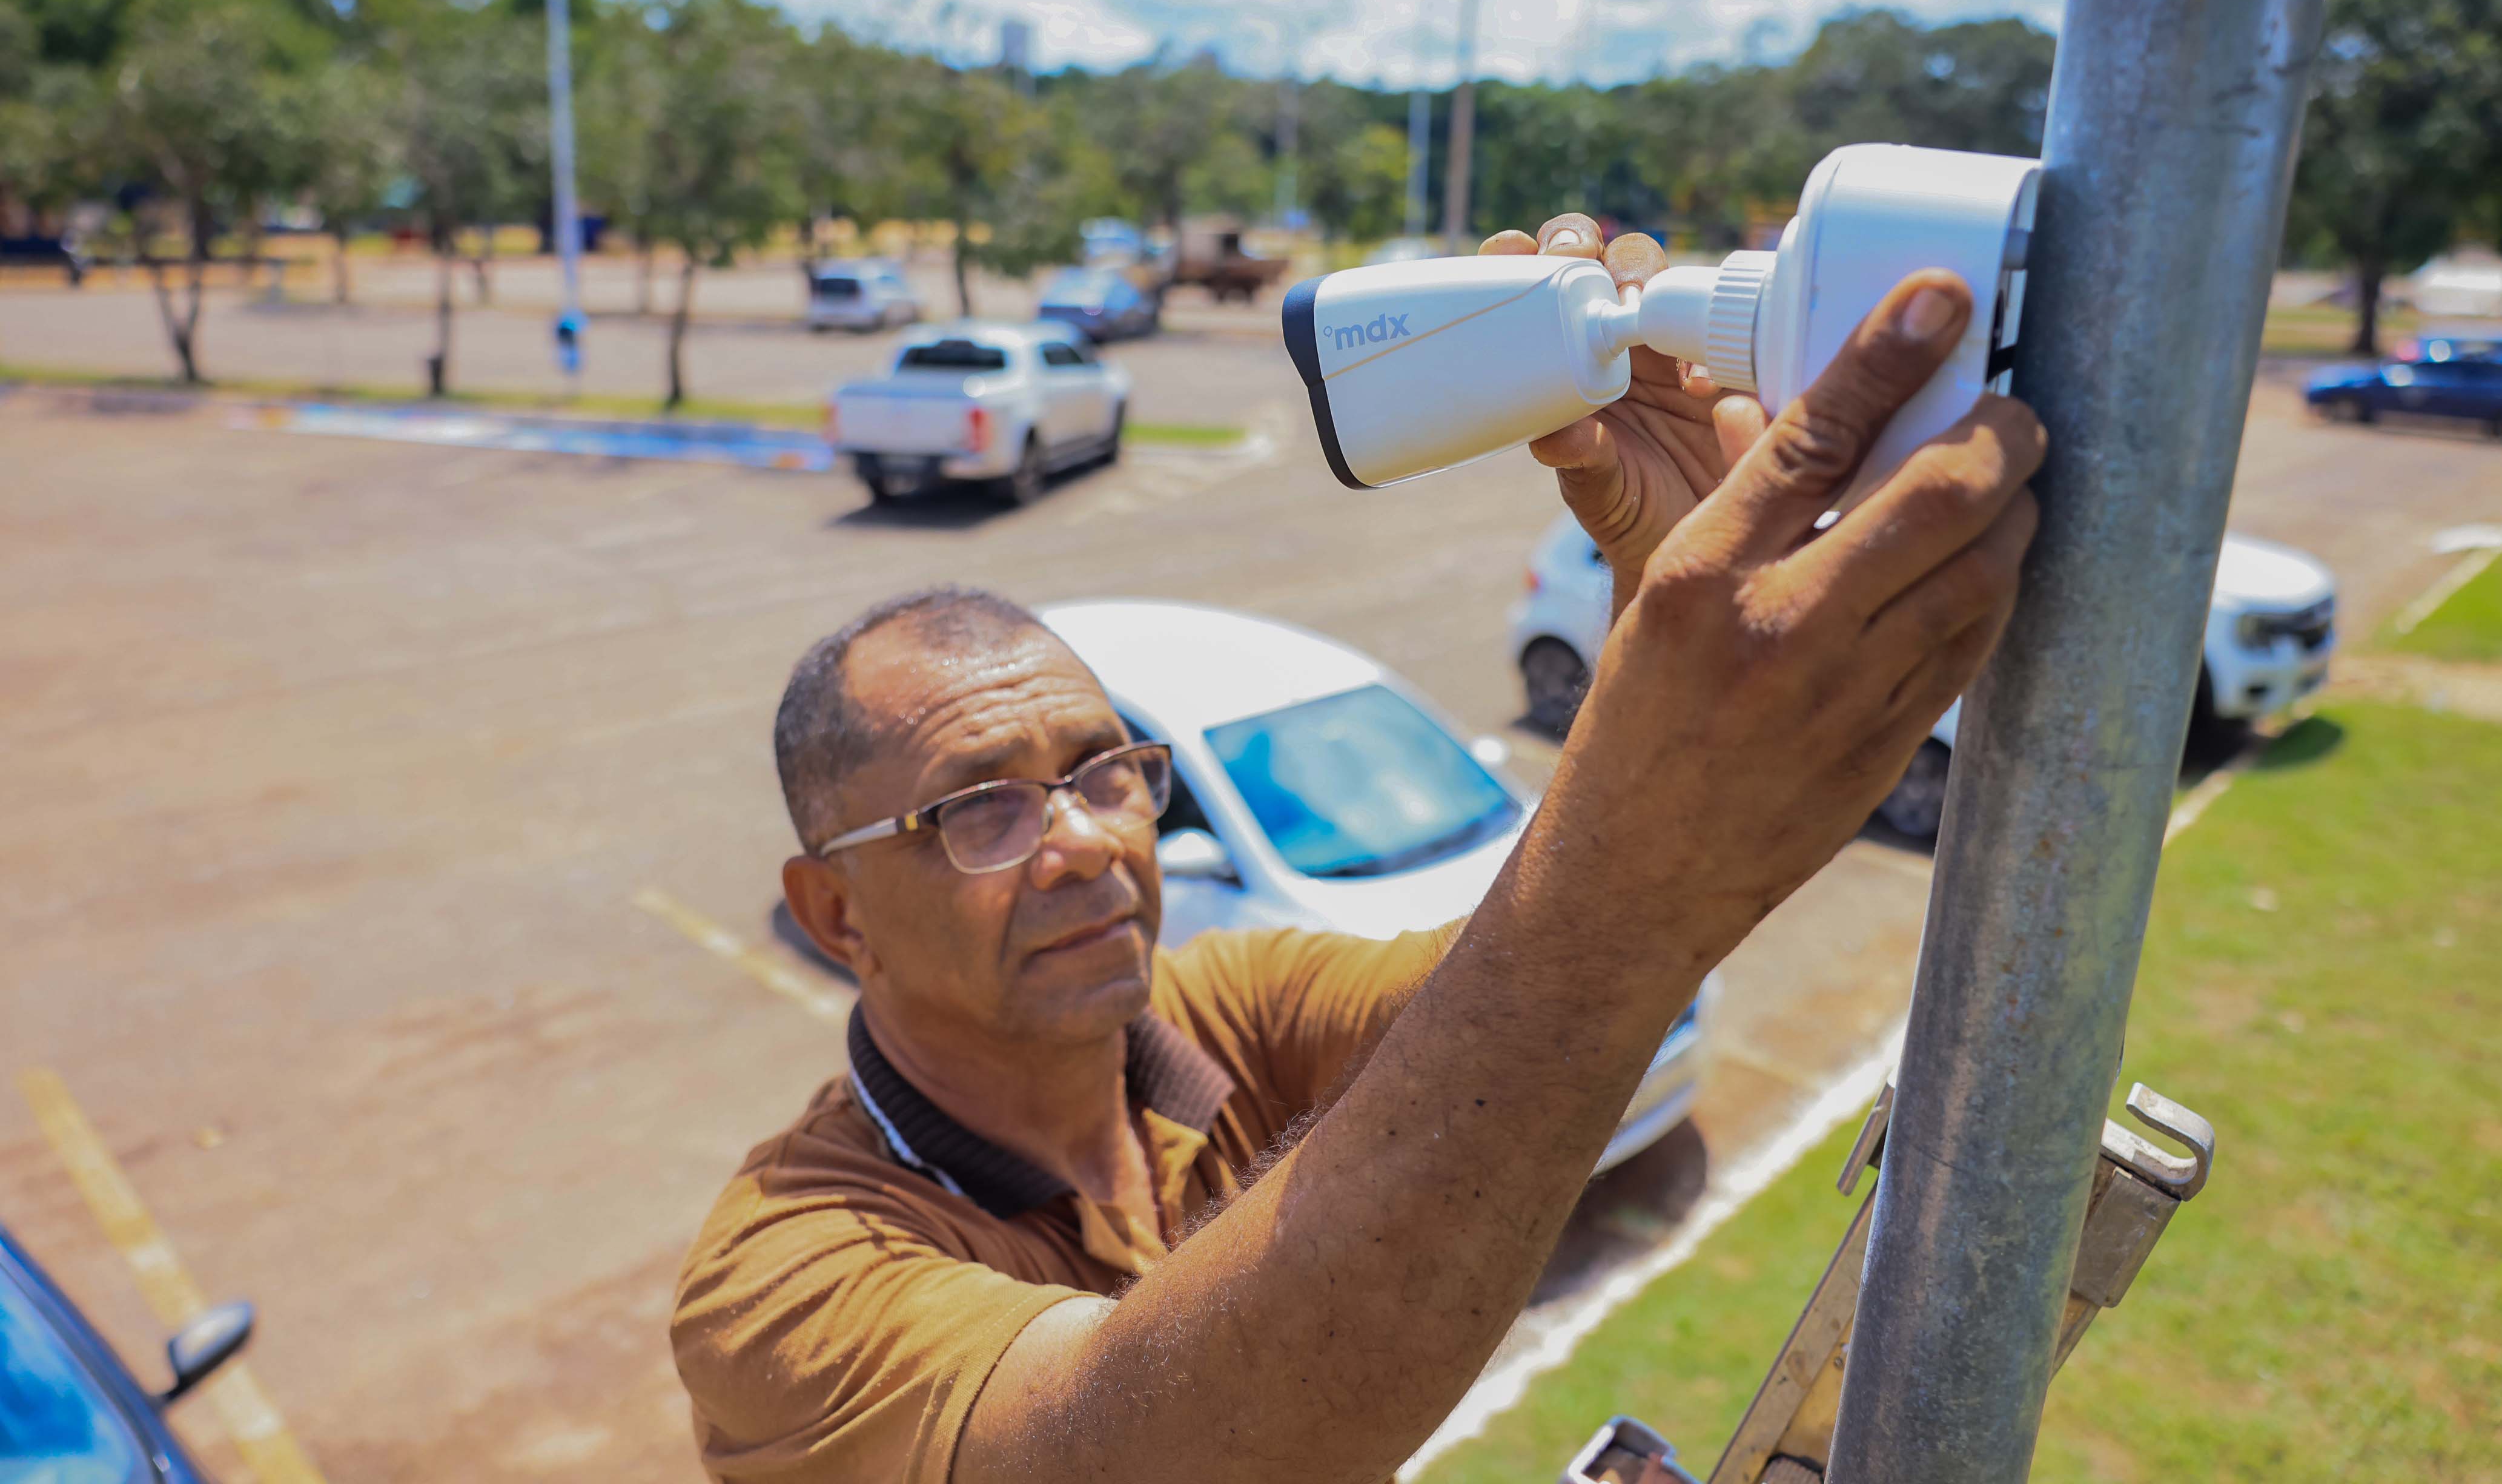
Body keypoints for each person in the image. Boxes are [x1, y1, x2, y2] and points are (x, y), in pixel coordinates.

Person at [670, 215, 2047, 1484]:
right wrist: (1651, 830)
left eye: (1106, 772)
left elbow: (1530, 987)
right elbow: (1152, 1446)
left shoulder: (1224, 1021)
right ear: (834, 914)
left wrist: (1657, 601)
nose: (1084, 844)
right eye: (981, 809)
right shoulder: (784, 1273)